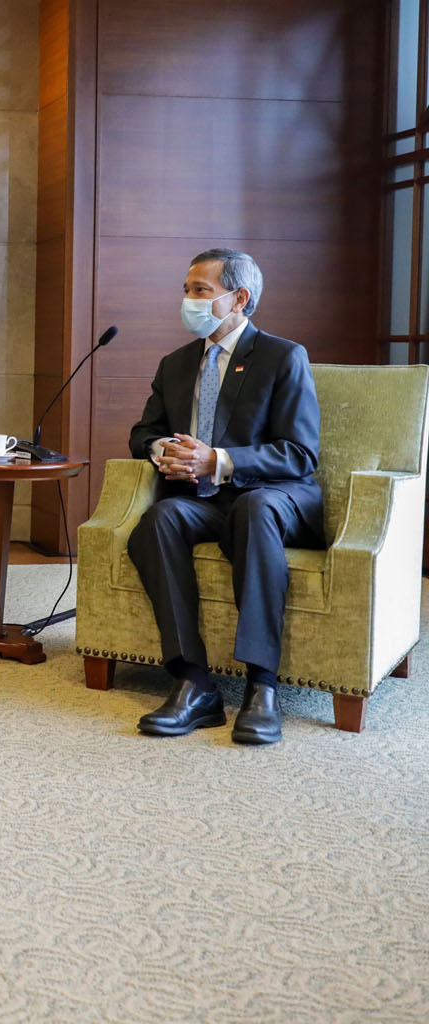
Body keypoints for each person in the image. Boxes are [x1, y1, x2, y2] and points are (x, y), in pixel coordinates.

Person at [126, 248, 323, 745]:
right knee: (159, 519)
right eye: (186, 289)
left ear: (240, 298)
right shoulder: (175, 364)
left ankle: (262, 686)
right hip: (205, 500)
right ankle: (193, 682)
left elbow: (300, 453)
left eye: (200, 291)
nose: (187, 300)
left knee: (254, 510)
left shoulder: (282, 356)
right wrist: (163, 448)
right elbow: (141, 434)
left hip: (272, 497)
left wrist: (217, 459)